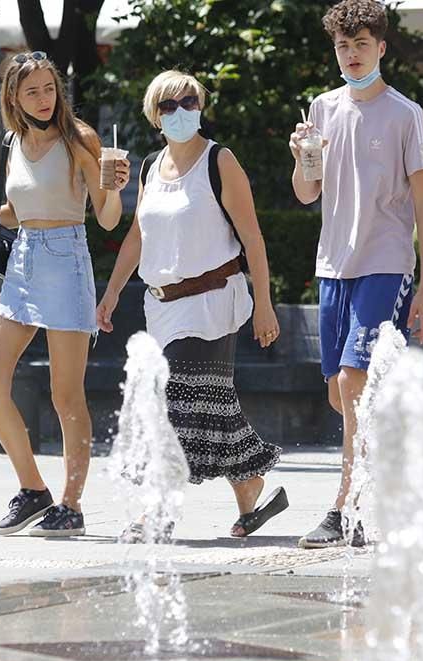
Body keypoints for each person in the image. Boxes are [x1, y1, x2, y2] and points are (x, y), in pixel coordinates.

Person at [0, 51, 129, 537]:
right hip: (24, 261)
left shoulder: (80, 138)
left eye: (49, 89)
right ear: (14, 98)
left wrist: (115, 189)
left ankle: (71, 504)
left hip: (67, 260)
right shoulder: (15, 142)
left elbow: (106, 219)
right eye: (32, 91)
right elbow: (14, 211)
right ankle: (33, 489)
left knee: (66, 394)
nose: (44, 99)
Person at [97, 70, 287, 541]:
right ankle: (250, 486)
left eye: (188, 102)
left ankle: (156, 510)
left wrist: (264, 304)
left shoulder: (220, 161)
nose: (180, 112)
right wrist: (113, 290)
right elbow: (138, 234)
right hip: (161, 306)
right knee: (211, 403)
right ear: (154, 115)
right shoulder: (148, 167)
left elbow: (253, 239)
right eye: (168, 105)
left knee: (171, 403)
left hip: (212, 301)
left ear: (200, 107)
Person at [289, 0, 423, 548]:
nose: (351, 54)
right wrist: (300, 157)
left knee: (356, 383)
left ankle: (345, 509)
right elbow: (308, 193)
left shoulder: (405, 114)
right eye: (342, 46)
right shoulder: (322, 108)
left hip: (386, 263)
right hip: (334, 264)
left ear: (381, 48)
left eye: (361, 44)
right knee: (342, 393)